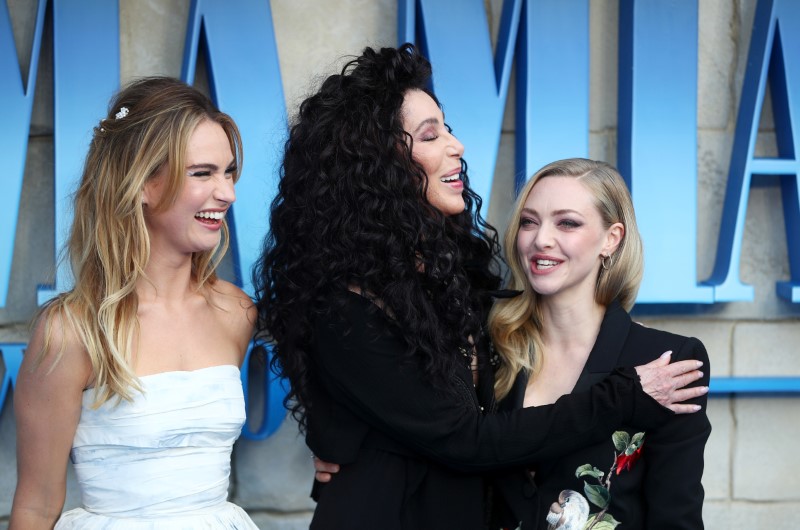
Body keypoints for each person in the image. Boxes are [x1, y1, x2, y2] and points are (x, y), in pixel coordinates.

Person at [254, 44, 707, 530]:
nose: (456, 144)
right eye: (431, 135)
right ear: (376, 162)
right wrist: (337, 447)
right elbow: (464, 438)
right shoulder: (348, 306)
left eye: (569, 223)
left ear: (611, 238)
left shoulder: (463, 296)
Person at [10, 77, 258, 529]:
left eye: (229, 172)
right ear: (142, 183)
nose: (227, 193)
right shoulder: (71, 331)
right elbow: (37, 505)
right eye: (202, 173)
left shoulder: (235, 313)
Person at [488, 158, 711, 529]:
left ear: (612, 238)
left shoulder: (667, 360)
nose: (541, 238)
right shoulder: (490, 347)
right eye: (529, 221)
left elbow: (676, 517)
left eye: (567, 223)